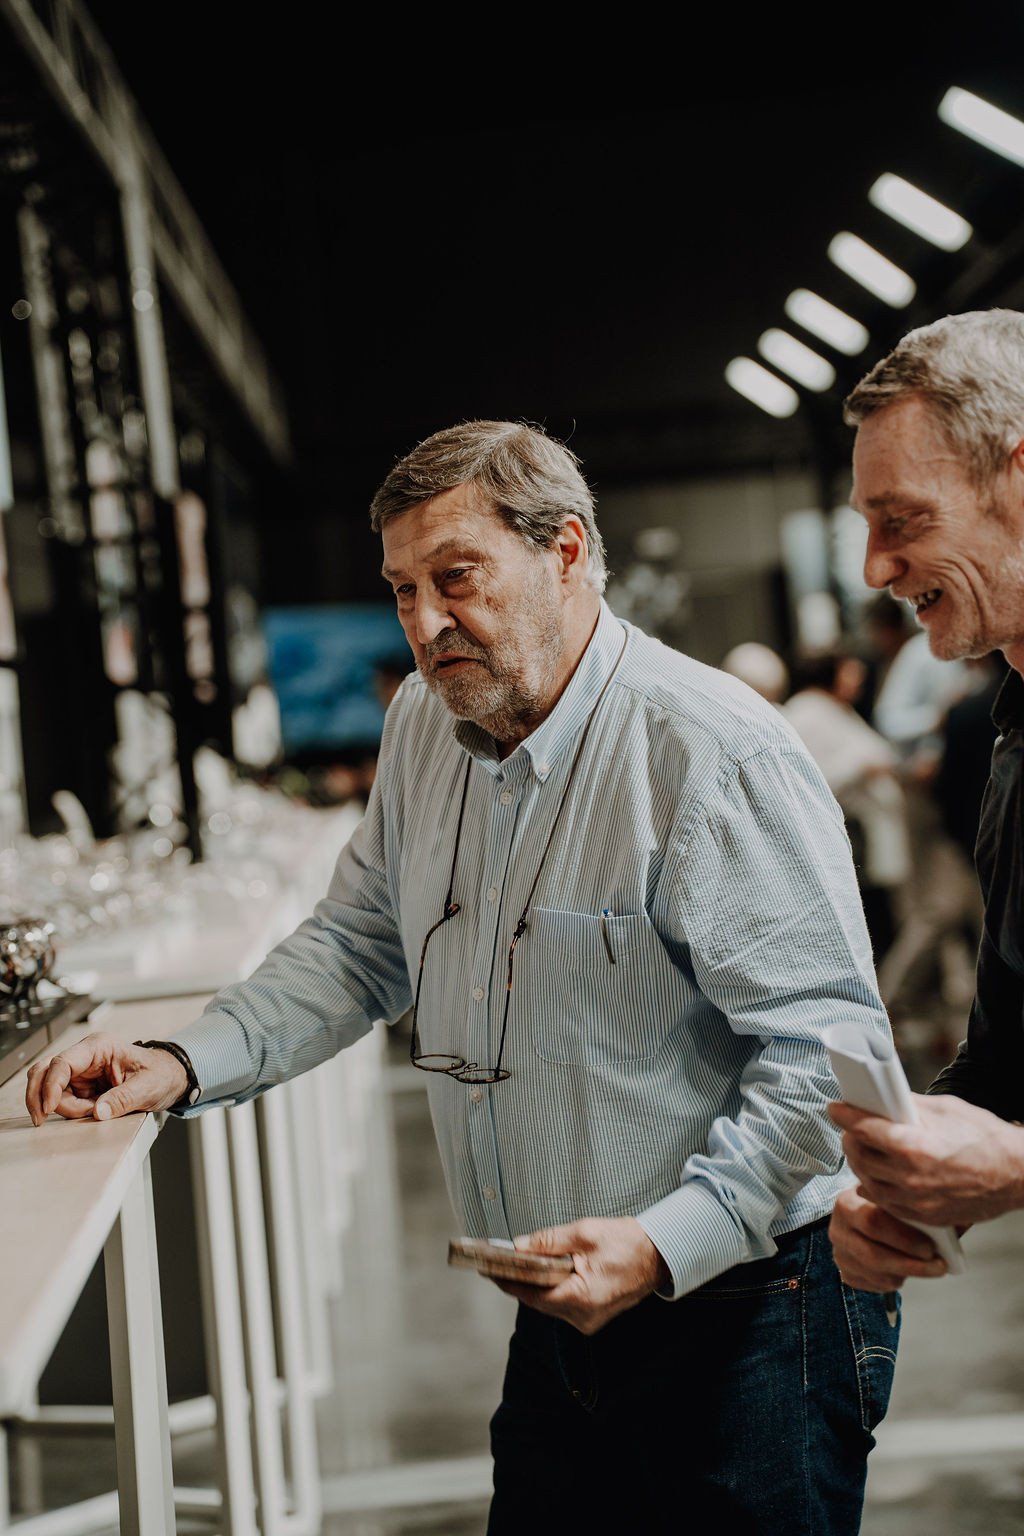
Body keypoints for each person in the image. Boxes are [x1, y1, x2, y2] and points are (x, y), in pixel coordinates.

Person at [27, 421, 896, 1533]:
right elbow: (359, 942)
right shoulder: (425, 726)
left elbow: (826, 1055)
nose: (426, 623)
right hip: (561, 1312)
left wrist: (662, 1242)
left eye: (457, 578)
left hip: (750, 1314)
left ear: (567, 552)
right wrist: (183, 1058)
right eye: (403, 591)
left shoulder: (708, 751)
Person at [825, 309, 1024, 1297]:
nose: (875, 568)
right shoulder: (1012, 744)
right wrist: (915, 1185)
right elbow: (1006, 1057)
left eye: (901, 520)